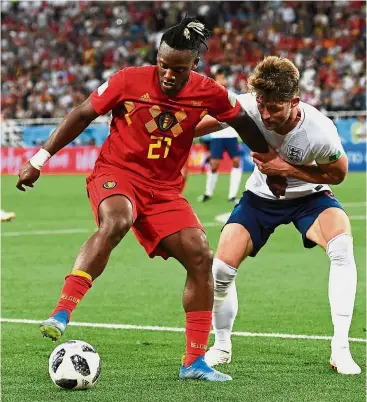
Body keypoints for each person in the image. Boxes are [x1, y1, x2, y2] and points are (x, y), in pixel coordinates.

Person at [16, 19, 280, 381]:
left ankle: (193, 362)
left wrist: (269, 160)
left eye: (179, 69)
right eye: (164, 65)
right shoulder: (128, 80)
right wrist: (39, 159)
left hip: (165, 190)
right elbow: (81, 115)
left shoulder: (210, 92)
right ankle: (62, 311)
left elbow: (244, 122)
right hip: (117, 173)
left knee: (200, 255)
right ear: (157, 58)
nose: (169, 75)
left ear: (194, 66)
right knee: (117, 220)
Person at [196, 56, 361, 375]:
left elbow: (338, 175)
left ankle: (340, 348)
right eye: (262, 105)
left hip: (309, 198)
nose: (266, 114)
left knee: (342, 248)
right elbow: (207, 124)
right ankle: (221, 346)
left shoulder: (319, 130)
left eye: (274, 107)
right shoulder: (249, 106)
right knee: (220, 270)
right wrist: (175, 131)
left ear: (294, 101)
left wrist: (289, 170)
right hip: (260, 198)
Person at [198, 71, 242, 203]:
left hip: (231, 134)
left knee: (236, 162)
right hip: (217, 135)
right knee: (214, 165)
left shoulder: (232, 94)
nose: (221, 81)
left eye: (223, 78)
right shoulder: (211, 96)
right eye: (219, 79)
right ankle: (208, 193)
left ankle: (232, 196)